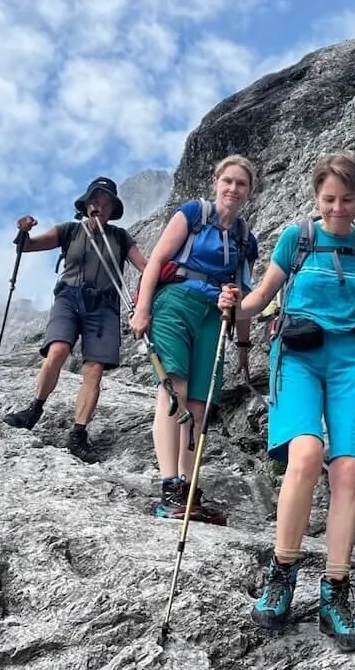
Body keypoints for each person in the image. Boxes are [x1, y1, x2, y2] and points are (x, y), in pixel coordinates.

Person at [218, 153, 355, 653]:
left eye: (347, 200)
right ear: (317, 197)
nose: (337, 208)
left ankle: (335, 592)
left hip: (353, 359)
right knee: (307, 453)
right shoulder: (298, 237)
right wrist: (234, 306)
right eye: (329, 199)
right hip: (298, 356)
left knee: (349, 468)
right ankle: (282, 572)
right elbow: (260, 297)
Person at [131, 155, 259, 525]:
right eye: (228, 181)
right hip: (175, 303)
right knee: (176, 390)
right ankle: (169, 484)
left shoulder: (245, 238)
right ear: (215, 181)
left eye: (242, 184)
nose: (233, 189)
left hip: (215, 316)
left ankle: (187, 489)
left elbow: (243, 295)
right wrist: (142, 309)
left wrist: (245, 347)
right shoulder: (192, 213)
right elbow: (156, 260)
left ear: (249, 192)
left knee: (200, 407)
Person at [3, 176, 147, 463]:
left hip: (104, 306)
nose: (100, 206)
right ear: (86, 204)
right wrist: (23, 232)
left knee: (94, 370)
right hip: (70, 298)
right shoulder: (69, 230)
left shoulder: (120, 237)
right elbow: (27, 246)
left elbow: (145, 266)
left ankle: (78, 432)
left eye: (106, 203)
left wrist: (147, 296)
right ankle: (34, 409)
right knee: (57, 350)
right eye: (95, 200)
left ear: (112, 209)